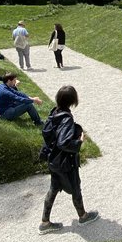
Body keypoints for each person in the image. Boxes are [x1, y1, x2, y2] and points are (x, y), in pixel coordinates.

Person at [39, 85, 99, 234]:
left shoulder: (54, 113)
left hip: (54, 160)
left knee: (53, 189)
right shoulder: (66, 118)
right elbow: (64, 142)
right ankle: (83, 216)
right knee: (75, 186)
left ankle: (45, 222)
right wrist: (79, 141)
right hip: (65, 162)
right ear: (72, 100)